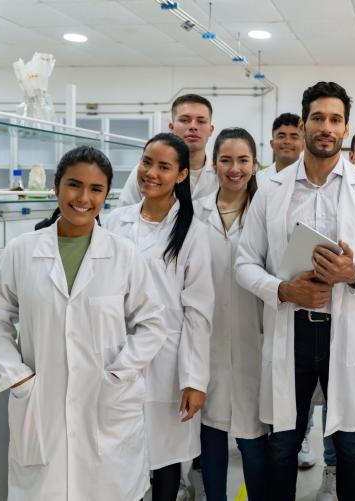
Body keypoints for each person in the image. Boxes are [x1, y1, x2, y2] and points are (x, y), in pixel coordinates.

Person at [235, 81, 355, 501]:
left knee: (349, 443)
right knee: (283, 443)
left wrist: (353, 273)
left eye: (335, 119)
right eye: (318, 118)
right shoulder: (270, 189)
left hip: (345, 333)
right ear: (303, 123)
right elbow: (243, 263)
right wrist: (282, 290)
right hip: (291, 329)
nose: (326, 127)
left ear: (345, 129)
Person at [0, 146, 167, 501]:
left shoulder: (124, 255)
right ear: (56, 186)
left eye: (96, 189)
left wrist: (119, 373)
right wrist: (17, 375)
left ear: (107, 195)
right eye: (74, 185)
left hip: (107, 403)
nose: (83, 198)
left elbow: (153, 324)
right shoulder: (21, 250)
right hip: (40, 405)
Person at [104, 133, 214, 501]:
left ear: (182, 175)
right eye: (147, 162)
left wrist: (195, 379)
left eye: (164, 167)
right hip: (117, 352)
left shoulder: (194, 232)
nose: (151, 173)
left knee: (165, 458)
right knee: (121, 454)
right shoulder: (114, 221)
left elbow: (199, 310)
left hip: (168, 360)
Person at [193, 127, 269, 500]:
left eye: (243, 160)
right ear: (213, 163)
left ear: (255, 165)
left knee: (254, 436)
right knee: (211, 431)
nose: (234, 168)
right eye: (226, 160)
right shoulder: (194, 212)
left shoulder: (266, 211)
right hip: (206, 337)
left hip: (254, 337)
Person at [119, 94, 217, 206]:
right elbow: (124, 214)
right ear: (171, 127)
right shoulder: (146, 171)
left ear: (211, 130)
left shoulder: (221, 172)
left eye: (201, 121)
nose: (193, 126)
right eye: (185, 120)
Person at [257, 113, 304, 187]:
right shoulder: (258, 180)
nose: (287, 141)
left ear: (303, 145)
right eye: (281, 136)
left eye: (294, 137)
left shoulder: (313, 181)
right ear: (272, 144)